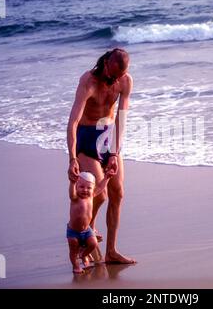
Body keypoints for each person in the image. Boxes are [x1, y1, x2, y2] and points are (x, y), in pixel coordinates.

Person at [67, 48, 136, 264]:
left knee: (118, 193)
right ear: (105, 62)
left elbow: (121, 119)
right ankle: (85, 230)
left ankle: (111, 251)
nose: (113, 80)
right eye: (111, 75)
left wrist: (115, 152)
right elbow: (73, 123)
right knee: (100, 194)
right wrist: (72, 158)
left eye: (118, 76)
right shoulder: (88, 81)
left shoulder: (125, 81)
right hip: (87, 138)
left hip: (109, 138)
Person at [67, 171, 114, 274]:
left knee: (93, 243)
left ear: (92, 189)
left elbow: (101, 187)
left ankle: (83, 254)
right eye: (81, 187)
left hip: (86, 229)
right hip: (73, 231)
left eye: (89, 188)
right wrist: (72, 183)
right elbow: (71, 192)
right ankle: (76, 266)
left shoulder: (91, 196)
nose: (85, 190)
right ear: (77, 186)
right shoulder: (75, 198)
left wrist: (107, 177)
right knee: (73, 249)